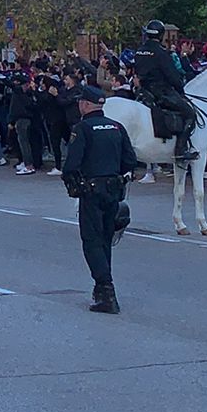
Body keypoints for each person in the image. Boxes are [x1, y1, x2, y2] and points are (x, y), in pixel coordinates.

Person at [59, 84, 137, 314]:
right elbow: (130, 161)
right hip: (113, 188)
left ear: (84, 104)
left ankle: (106, 290)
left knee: (92, 241)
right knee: (105, 240)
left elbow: (72, 164)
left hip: (91, 190)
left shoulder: (82, 129)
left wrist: (73, 184)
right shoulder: (116, 127)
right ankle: (101, 287)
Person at [133, 21, 197, 161]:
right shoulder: (161, 53)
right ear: (161, 35)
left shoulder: (139, 51)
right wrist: (181, 90)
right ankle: (180, 150)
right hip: (161, 92)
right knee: (190, 114)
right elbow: (172, 76)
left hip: (143, 91)